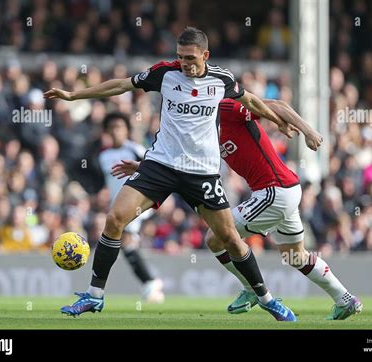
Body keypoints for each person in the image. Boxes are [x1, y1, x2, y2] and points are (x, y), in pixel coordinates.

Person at [44, 27, 319, 321]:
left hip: (201, 174)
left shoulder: (221, 79)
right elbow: (122, 85)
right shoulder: (165, 74)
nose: (184, 63)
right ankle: (94, 296)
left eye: (190, 57)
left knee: (230, 238)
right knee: (114, 219)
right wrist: (74, 96)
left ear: (205, 55)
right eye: (180, 57)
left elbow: (250, 100)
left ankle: (266, 299)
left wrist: (280, 122)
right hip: (160, 165)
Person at [113, 98, 362, 320]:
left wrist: (308, 131)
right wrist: (141, 167)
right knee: (294, 256)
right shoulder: (202, 134)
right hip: (283, 191)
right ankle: (345, 299)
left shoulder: (226, 108)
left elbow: (276, 106)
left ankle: (252, 289)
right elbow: (175, 163)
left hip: (274, 190)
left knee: (216, 238)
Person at [99, 111, 164, 303]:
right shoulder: (103, 156)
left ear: (126, 129)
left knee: (126, 240)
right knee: (126, 243)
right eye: (112, 128)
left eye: (119, 127)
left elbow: (154, 168)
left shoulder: (134, 149)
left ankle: (150, 281)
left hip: (138, 203)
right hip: (117, 206)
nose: (115, 131)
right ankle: (149, 281)